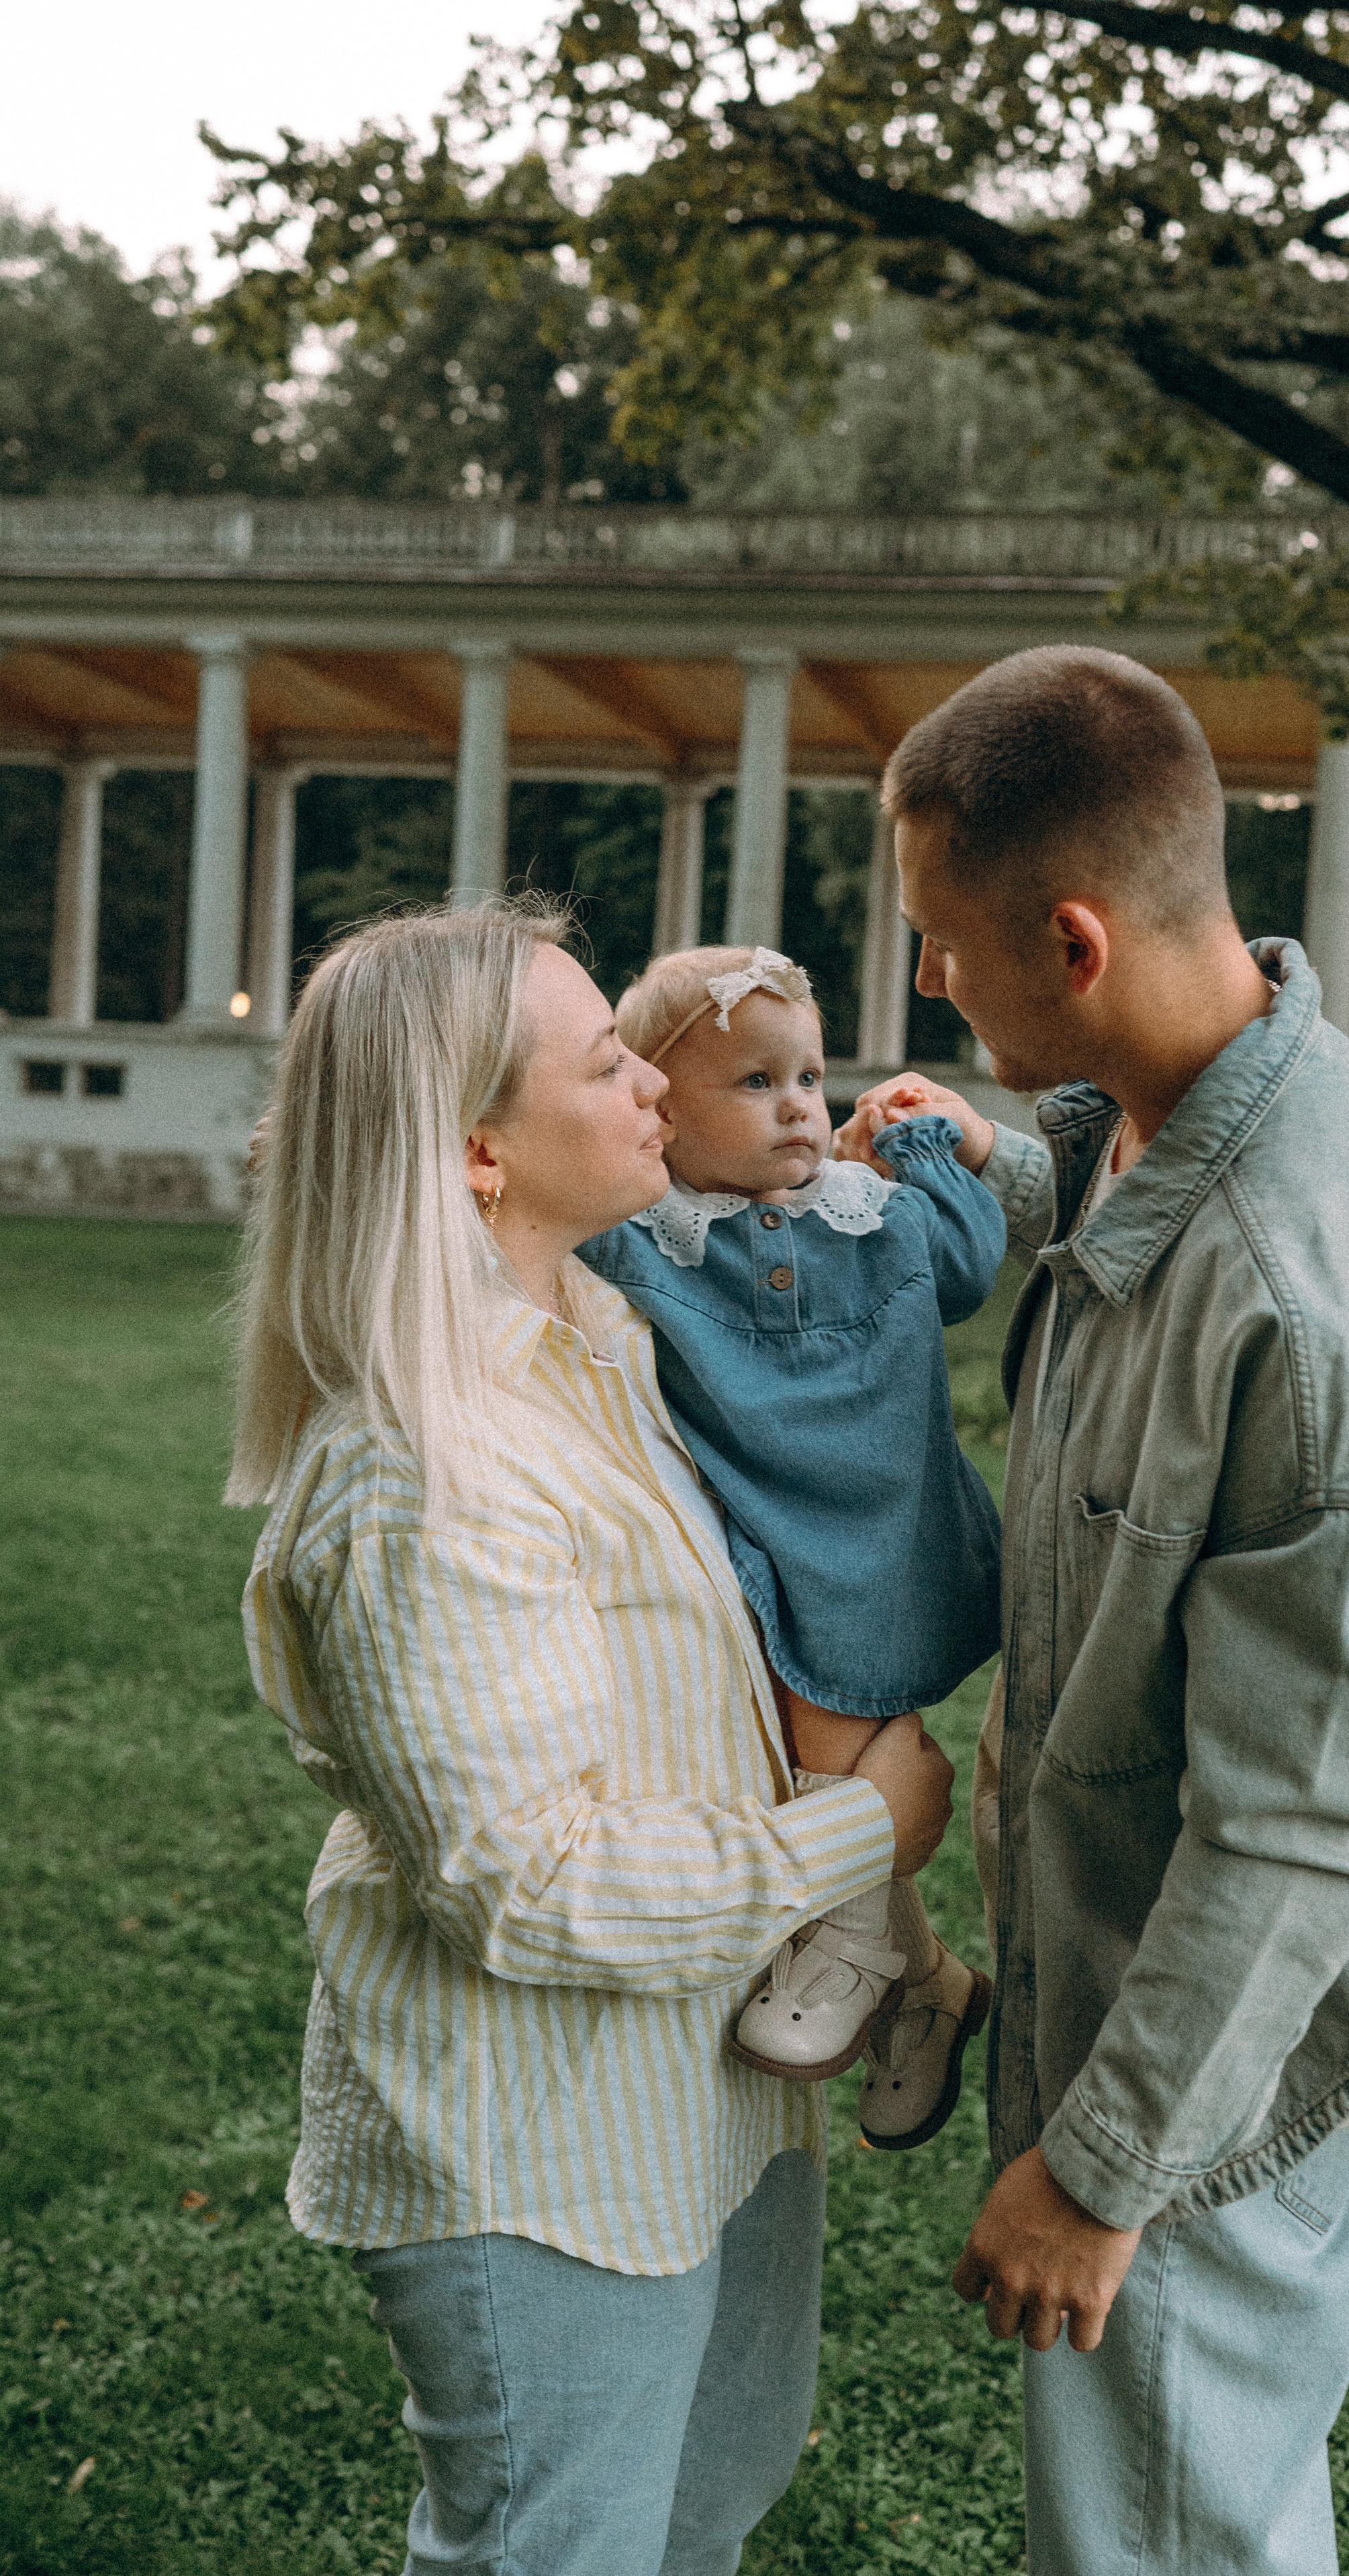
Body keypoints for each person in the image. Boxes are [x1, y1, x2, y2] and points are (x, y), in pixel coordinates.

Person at [837, 646, 1349, 2575]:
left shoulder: (1316, 1333)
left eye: (944, 943)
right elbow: (1119, 1203)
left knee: (1174, 2525)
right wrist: (982, 1153)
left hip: (1222, 2044)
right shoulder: (1198, 1082)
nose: (933, 979)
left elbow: (1303, 1826)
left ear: (1073, 939)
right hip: (1161, 1968)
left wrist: (1101, 2169)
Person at [226, 898, 954, 2576]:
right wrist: (867, 1834)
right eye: (610, 1057)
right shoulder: (425, 1470)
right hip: (537, 2143)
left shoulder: (603, 1351)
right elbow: (522, 1881)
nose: (654, 1081)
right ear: (478, 1149)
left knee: (702, 2505)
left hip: (695, 2095)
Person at [579, 941, 1004, 2147]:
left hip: (888, 1530)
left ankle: (861, 1940)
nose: (801, 1106)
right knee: (781, 1723)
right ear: (659, 1107)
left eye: (811, 1076)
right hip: (770, 1537)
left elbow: (972, 1263)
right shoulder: (651, 1233)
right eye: (754, 1082)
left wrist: (931, 1151)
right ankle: (928, 1983)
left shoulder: (877, 1215)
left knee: (829, 1722)